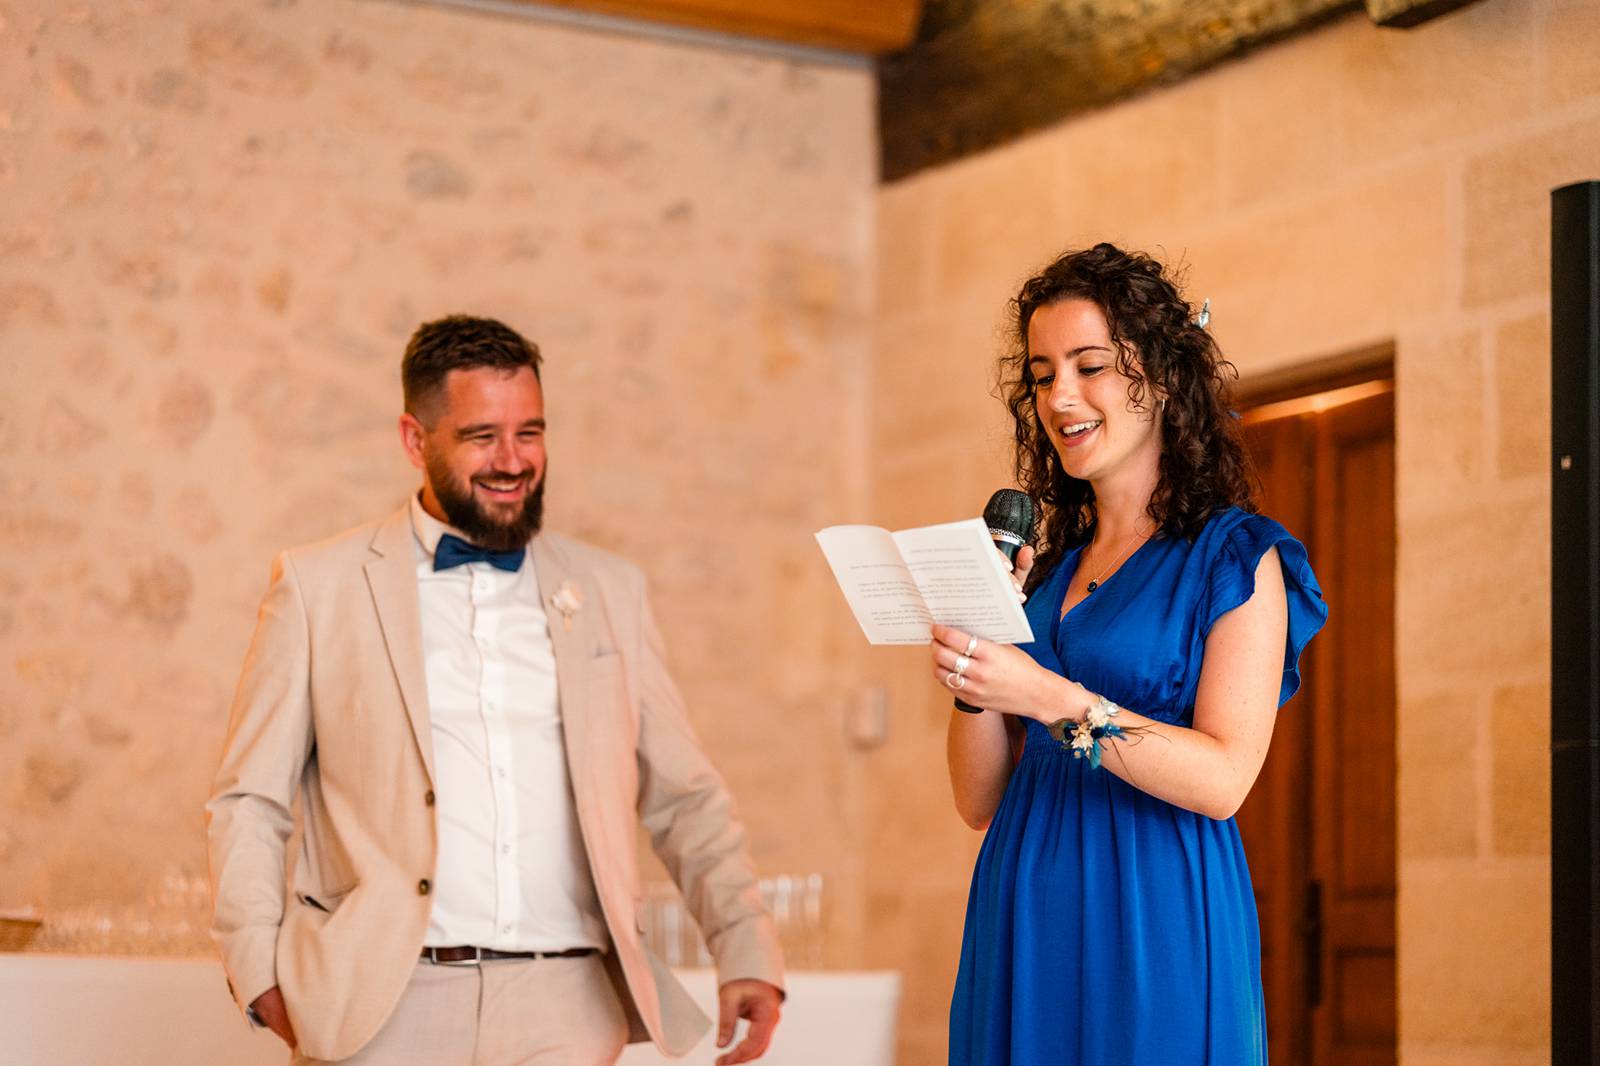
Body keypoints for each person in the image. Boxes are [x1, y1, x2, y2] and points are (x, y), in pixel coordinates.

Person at [207, 315, 784, 1066]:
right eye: (482, 436)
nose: (512, 461)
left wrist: (744, 947)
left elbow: (685, 796)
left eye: (530, 433)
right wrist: (255, 965)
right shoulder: (319, 587)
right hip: (381, 1005)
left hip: (568, 1005)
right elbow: (250, 798)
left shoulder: (611, 591)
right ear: (416, 441)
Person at [931, 244, 1327, 1064]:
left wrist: (1047, 696)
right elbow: (977, 801)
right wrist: (976, 676)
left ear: (1161, 380)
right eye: (1042, 375)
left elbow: (1223, 781)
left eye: (1091, 366)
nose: (1060, 397)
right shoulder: (1046, 572)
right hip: (1024, 906)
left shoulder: (1235, 558)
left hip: (1155, 907)